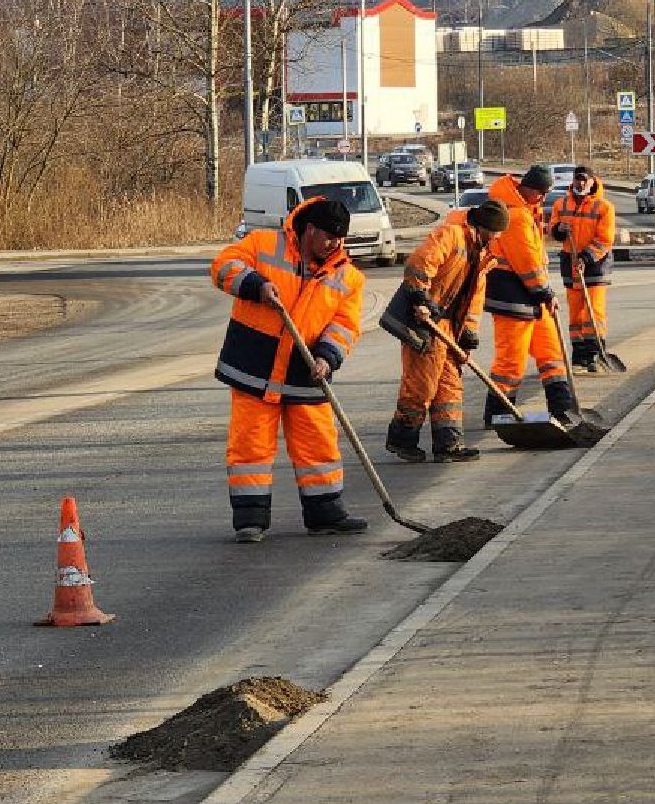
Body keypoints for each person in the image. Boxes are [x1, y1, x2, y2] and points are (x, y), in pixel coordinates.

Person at [209, 196, 367, 544]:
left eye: (339, 238)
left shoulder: (348, 276)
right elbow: (222, 266)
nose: (334, 244)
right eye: (328, 236)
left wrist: (328, 356)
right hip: (254, 365)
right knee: (251, 446)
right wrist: (255, 285)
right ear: (309, 230)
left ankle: (325, 513)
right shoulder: (265, 244)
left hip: (306, 370)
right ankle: (250, 520)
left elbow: (345, 325)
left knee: (319, 444)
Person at [379, 200, 508, 463]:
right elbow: (420, 263)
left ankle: (449, 442)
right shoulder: (452, 235)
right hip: (427, 323)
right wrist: (419, 297)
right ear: (485, 228)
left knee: (450, 385)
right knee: (421, 384)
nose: (498, 239)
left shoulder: (482, 257)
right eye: (497, 233)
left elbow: (474, 301)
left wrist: (469, 335)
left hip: (449, 329)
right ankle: (402, 439)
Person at [482, 165, 576, 425]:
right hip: (511, 296)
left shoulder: (524, 211)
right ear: (530, 189)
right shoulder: (515, 216)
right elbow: (526, 262)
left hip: (531, 296)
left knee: (551, 351)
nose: (544, 199)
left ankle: (562, 407)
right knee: (511, 359)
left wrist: (544, 293)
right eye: (542, 193)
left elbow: (534, 261)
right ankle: (498, 413)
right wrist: (545, 292)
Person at [547, 165, 616, 372]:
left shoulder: (604, 207)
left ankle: (595, 353)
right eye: (578, 179)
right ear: (574, 180)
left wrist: (586, 257)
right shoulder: (562, 203)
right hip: (570, 262)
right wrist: (559, 229)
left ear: (593, 181)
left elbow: (605, 240)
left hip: (595, 264)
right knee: (576, 313)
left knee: (593, 310)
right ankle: (579, 356)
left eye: (586, 179)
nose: (582, 183)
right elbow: (552, 229)